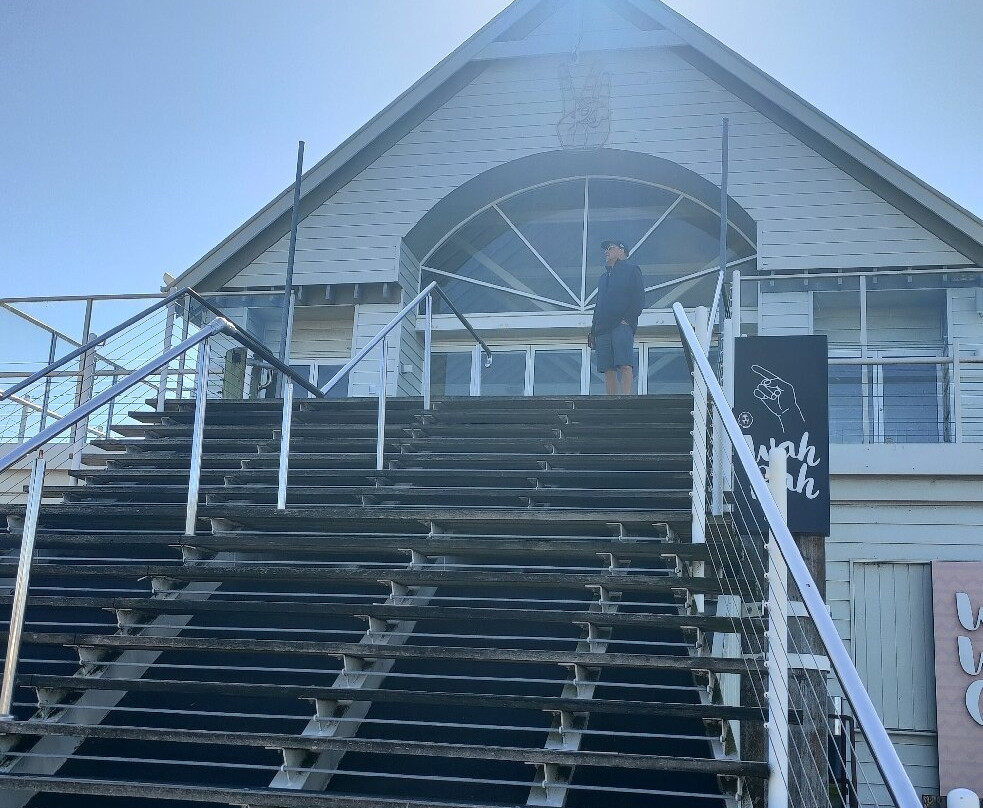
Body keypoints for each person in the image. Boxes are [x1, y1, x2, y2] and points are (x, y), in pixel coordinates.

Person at [588, 240, 644, 395]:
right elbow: (599, 304)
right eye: (605, 249)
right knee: (607, 368)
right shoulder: (603, 278)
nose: (606, 251)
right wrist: (593, 330)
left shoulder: (632, 270)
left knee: (624, 363)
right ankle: (611, 400)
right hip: (602, 328)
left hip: (621, 325)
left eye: (610, 248)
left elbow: (639, 298)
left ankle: (626, 398)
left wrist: (627, 319)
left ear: (621, 250)